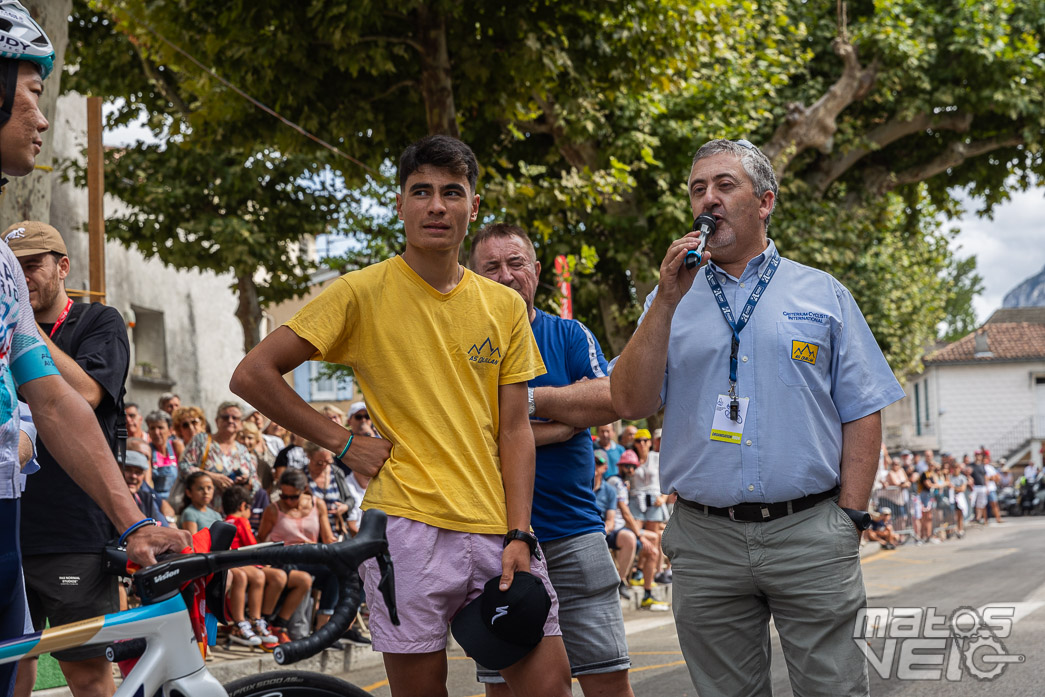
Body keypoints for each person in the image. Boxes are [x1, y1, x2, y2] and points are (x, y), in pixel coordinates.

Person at [231, 135, 572, 697]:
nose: (436, 205)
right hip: (405, 532)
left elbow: (515, 429)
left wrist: (520, 531)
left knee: (549, 687)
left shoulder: (504, 306)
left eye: (451, 192)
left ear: (474, 206)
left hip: (495, 531)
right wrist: (343, 443)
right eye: (422, 192)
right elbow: (252, 374)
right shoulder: (361, 293)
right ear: (400, 204)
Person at [610, 138, 905, 697]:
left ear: (765, 201)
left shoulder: (823, 293)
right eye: (698, 190)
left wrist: (850, 519)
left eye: (725, 185)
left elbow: (864, 410)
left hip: (810, 531)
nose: (708, 200)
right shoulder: (669, 297)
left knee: (835, 690)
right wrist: (667, 302)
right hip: (705, 538)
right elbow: (629, 403)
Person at [1, 16, 185, 696]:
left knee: (49, 669)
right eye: (28, 92)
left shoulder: (24, 284)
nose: (43, 117)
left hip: (35, 520)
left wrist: (134, 517)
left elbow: (55, 397)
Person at [3, 218, 186, 697]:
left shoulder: (97, 321)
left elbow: (82, 395)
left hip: (74, 531)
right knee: (11, 672)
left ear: (62, 267)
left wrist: (16, 319)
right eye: (11, 269)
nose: (21, 278)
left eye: (31, 266)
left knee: (86, 677)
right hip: (10, 527)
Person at [470, 223, 633, 695]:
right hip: (494, 544)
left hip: (574, 535)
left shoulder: (568, 333)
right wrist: (564, 422)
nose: (505, 275)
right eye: (491, 267)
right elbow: (470, 435)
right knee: (507, 689)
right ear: (473, 277)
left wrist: (523, 406)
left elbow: (610, 398)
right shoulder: (461, 346)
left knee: (609, 680)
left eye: (515, 263)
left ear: (536, 271)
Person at [221, 486, 307, 649]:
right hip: (239, 562)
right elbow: (253, 547)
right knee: (260, 576)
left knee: (274, 576)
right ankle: (253, 620)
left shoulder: (226, 521)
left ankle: (256, 621)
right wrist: (264, 563)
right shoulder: (241, 521)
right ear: (243, 507)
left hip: (232, 561)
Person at [257, 469, 337, 634]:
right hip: (284, 559)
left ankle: (323, 624)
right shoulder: (273, 509)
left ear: (304, 490)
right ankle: (280, 624)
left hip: (310, 558)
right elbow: (260, 539)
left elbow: (328, 538)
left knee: (337, 572)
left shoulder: (317, 504)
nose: (288, 501)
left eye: (293, 497)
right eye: (284, 496)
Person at [179, 401, 260, 498]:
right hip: (204, 508)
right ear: (217, 421)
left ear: (241, 424)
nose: (230, 420)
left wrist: (246, 482)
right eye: (225, 417)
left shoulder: (243, 450)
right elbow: (183, 467)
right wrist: (210, 477)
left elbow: (256, 483)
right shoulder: (201, 441)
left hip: (232, 508)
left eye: (235, 418)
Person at [301, 440, 353, 537]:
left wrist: (344, 507)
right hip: (313, 534)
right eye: (319, 463)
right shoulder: (302, 476)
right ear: (309, 457)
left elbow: (350, 499)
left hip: (338, 532)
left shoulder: (337, 472)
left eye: (328, 462)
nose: (324, 466)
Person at [145, 409, 180, 502]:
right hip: (157, 500)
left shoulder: (176, 446)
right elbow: (147, 483)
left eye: (160, 427)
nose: (156, 432)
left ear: (170, 430)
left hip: (177, 499)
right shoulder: (147, 450)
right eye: (152, 428)